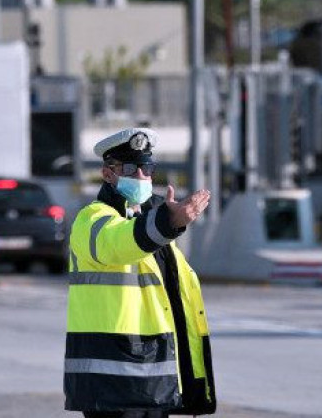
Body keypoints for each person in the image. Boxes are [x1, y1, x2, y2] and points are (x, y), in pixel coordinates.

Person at [64, 127, 217, 418]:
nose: (141, 177)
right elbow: (119, 242)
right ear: (108, 174)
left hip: (151, 379)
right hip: (112, 384)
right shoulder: (92, 219)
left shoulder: (155, 225)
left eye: (146, 168)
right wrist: (168, 223)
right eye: (131, 169)